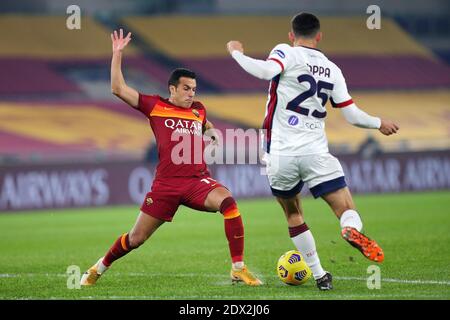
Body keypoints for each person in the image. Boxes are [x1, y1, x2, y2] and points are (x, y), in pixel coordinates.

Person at [227, 13, 399, 290]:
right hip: (316, 152)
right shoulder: (332, 69)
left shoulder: (285, 52)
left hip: (280, 154)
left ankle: (319, 274)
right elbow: (352, 115)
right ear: (319, 36)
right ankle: (350, 228)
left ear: (291, 35)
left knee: (294, 214)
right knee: (345, 207)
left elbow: (264, 71)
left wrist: (236, 52)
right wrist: (380, 123)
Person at [81, 29, 262, 287]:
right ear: (172, 89)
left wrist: (212, 134)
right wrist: (117, 54)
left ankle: (238, 268)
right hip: (166, 185)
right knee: (136, 238)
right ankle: (98, 268)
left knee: (229, 203)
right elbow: (117, 88)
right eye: (186, 89)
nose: (191, 94)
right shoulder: (155, 106)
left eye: (194, 89)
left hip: (197, 181)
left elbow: (205, 122)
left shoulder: (198, 110)